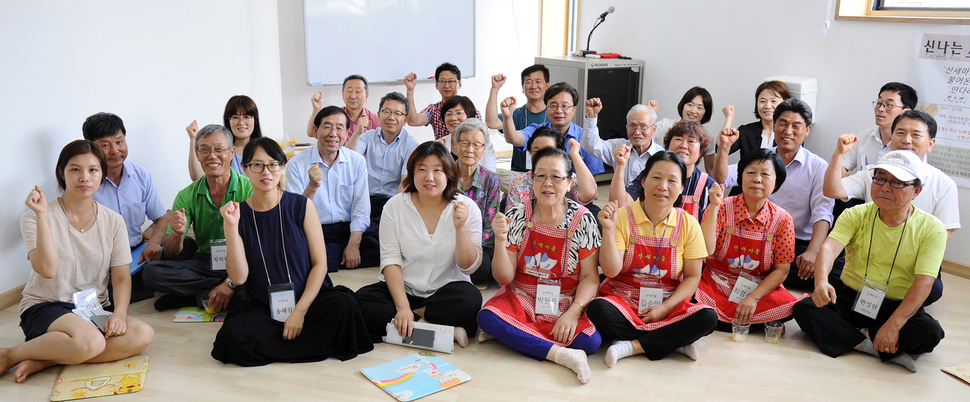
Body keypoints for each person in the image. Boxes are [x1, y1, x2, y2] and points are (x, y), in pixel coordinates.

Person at [1, 140, 153, 384]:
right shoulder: (34, 217)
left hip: (90, 309)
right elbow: (47, 270)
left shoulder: (113, 221)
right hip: (45, 305)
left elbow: (121, 276)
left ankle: (46, 358)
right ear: (62, 173)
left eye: (93, 170)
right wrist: (42, 216)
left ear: (102, 174)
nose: (85, 177)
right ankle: (10, 355)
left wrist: (120, 314)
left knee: (142, 334)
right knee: (92, 341)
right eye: (75, 169)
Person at [211, 138, 373, 366]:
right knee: (233, 335)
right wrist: (230, 226)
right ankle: (310, 344)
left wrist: (299, 312)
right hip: (262, 305)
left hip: (308, 301)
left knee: (343, 307)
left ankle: (279, 344)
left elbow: (320, 264)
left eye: (273, 164)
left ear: (283, 167)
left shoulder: (301, 205)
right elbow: (238, 278)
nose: (266, 171)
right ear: (245, 169)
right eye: (257, 165)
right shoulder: (238, 214)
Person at [793, 150, 945, 372]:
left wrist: (893, 325)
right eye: (880, 178)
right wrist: (821, 282)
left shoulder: (932, 228)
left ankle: (850, 337)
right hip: (851, 297)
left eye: (897, 182)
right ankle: (870, 344)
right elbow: (828, 248)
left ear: (916, 191)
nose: (884, 187)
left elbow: (924, 283)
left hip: (895, 306)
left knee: (930, 332)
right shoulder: (856, 214)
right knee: (804, 308)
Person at [479, 147, 602, 384]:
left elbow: (590, 277)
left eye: (556, 177)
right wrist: (501, 240)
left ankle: (515, 336)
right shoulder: (517, 215)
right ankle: (562, 355)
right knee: (487, 317)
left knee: (591, 342)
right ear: (531, 180)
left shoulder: (583, 219)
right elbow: (504, 278)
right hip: (522, 296)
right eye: (540, 176)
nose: (547, 183)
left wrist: (574, 313)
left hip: (565, 299)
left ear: (569, 183)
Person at [587, 151, 717, 366]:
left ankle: (631, 346)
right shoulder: (622, 216)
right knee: (597, 310)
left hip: (669, 300)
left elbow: (693, 277)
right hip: (624, 298)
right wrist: (608, 230)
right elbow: (610, 272)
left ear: (682, 188)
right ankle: (673, 340)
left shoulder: (689, 223)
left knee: (708, 318)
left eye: (672, 180)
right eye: (656, 178)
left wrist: (665, 308)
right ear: (644, 181)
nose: (663, 186)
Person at [354, 142, 483, 347]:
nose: (429, 177)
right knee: (361, 301)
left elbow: (469, 266)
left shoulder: (467, 207)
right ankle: (441, 331)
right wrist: (402, 307)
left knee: (470, 301)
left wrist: (460, 228)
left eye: (437, 170)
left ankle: (409, 327)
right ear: (411, 173)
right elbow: (390, 261)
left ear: (449, 173)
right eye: (421, 169)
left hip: (446, 293)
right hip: (403, 289)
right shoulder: (394, 206)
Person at [824, 111, 958, 305]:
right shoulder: (874, 173)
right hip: (868, 258)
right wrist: (839, 154)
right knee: (828, 268)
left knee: (932, 287)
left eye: (916, 135)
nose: (906, 140)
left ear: (931, 144)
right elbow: (832, 189)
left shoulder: (944, 184)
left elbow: (942, 237)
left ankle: (888, 310)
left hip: (910, 263)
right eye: (900, 133)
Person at [713, 99, 834, 289]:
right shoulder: (762, 158)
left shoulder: (818, 167)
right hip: (754, 238)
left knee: (829, 272)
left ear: (807, 130)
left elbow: (823, 213)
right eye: (783, 124)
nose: (788, 131)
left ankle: (758, 274)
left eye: (796, 126)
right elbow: (722, 178)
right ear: (774, 125)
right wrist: (724, 148)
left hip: (796, 243)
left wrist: (813, 252)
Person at [142, 125, 253, 311]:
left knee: (258, 278)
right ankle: (217, 292)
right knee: (151, 273)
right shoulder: (186, 195)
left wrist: (231, 281)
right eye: (204, 150)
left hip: (243, 261)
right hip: (206, 261)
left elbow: (260, 244)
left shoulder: (249, 189)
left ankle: (196, 295)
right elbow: (171, 252)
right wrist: (177, 234)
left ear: (232, 152)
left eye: (219, 149)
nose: (212, 156)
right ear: (197, 154)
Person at [697, 148, 802, 329]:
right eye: (751, 172)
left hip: (758, 287)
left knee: (796, 307)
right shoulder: (721, 206)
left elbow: (782, 270)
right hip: (715, 282)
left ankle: (729, 320)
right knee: (688, 292)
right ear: (741, 177)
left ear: (776, 182)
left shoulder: (783, 219)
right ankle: (752, 323)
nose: (757, 179)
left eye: (765, 174)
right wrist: (713, 207)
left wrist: (753, 298)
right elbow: (705, 250)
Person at [287, 106, 379, 271]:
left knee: (384, 247)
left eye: (339, 128)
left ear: (346, 133)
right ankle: (329, 259)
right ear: (315, 131)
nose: (333, 134)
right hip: (315, 232)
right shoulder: (296, 164)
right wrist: (312, 187)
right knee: (293, 252)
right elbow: (295, 214)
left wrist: (353, 245)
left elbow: (361, 208)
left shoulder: (356, 161)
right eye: (327, 127)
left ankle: (326, 260)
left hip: (348, 230)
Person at [82, 112, 172, 273]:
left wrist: (154, 243)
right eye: (105, 145)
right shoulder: (85, 183)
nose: (115, 150)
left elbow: (162, 218)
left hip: (136, 253)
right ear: (91, 148)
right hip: (103, 262)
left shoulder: (141, 175)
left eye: (119, 141)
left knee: (185, 246)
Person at [612, 121, 716, 223]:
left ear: (701, 151)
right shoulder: (652, 174)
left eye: (691, 141)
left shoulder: (708, 187)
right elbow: (620, 205)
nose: (683, 145)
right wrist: (621, 166)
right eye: (678, 139)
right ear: (668, 146)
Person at [346, 92, 420, 233]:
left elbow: (404, 184)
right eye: (387, 111)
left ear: (405, 120)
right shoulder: (368, 136)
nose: (391, 117)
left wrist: (393, 213)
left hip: (392, 201)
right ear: (378, 114)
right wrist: (356, 133)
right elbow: (347, 159)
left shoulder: (411, 145)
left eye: (398, 113)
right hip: (364, 200)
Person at [500, 82, 606, 175]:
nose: (559, 111)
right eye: (553, 106)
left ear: (573, 110)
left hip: (573, 194)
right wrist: (508, 116)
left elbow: (591, 182)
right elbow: (512, 138)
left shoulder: (585, 138)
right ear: (546, 108)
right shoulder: (537, 131)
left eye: (565, 106)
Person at [453, 119, 501, 287]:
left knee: (482, 269)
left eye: (476, 145)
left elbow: (490, 224)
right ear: (456, 146)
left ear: (483, 150)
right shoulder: (445, 174)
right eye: (465, 143)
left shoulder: (490, 179)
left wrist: (469, 247)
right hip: (447, 240)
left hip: (477, 243)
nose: (470, 150)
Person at [505, 127, 597, 213]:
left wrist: (575, 155)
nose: (542, 156)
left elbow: (589, 194)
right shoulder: (518, 183)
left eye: (548, 151)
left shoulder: (567, 179)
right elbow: (513, 220)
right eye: (536, 152)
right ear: (530, 153)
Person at [580, 99, 664, 187]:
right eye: (632, 126)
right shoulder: (619, 147)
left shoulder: (661, 156)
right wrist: (591, 118)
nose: (637, 132)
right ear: (626, 127)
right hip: (620, 200)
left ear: (654, 129)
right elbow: (591, 146)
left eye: (643, 126)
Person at [485, 65, 551, 173]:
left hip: (548, 174)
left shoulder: (554, 114)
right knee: (496, 176)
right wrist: (494, 89)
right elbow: (491, 122)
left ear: (547, 85)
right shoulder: (515, 114)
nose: (534, 86)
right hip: (518, 174)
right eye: (529, 82)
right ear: (522, 87)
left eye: (538, 81)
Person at [841, 82, 917, 175]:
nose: (881, 109)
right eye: (879, 103)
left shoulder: (911, 145)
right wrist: (859, 182)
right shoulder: (864, 136)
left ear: (906, 112)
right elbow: (841, 168)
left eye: (889, 105)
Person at [186, 95, 263, 181]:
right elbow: (199, 179)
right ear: (228, 121)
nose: (241, 122)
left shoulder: (264, 150)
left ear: (255, 120)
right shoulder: (221, 150)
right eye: (235, 117)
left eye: (246, 117)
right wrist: (193, 139)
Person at [404, 62, 482, 141]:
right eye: (442, 81)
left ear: (460, 84)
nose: (447, 86)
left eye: (451, 81)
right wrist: (410, 90)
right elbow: (413, 121)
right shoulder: (433, 110)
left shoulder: (471, 111)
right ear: (436, 85)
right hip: (441, 152)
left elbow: (480, 139)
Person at [719, 81, 791, 158]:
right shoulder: (746, 131)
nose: (768, 106)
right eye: (762, 101)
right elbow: (721, 149)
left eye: (774, 101)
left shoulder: (790, 134)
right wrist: (729, 117)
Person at [650, 87, 716, 170]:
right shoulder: (664, 125)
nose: (693, 111)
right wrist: (649, 112)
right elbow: (643, 136)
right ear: (683, 105)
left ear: (705, 113)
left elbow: (710, 168)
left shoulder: (707, 135)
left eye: (699, 108)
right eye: (690, 105)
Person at [305, 74, 380, 141]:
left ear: (366, 96)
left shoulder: (375, 120)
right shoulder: (335, 116)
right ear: (343, 94)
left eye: (358, 92)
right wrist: (316, 109)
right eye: (349, 91)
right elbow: (312, 133)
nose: (353, 96)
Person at [441, 95, 497, 172]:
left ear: (470, 116)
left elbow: (489, 176)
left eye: (459, 113)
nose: (453, 118)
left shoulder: (484, 144)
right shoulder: (440, 144)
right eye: (449, 114)